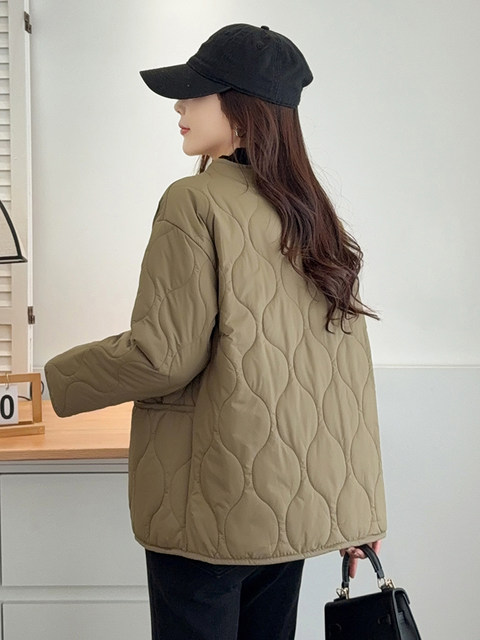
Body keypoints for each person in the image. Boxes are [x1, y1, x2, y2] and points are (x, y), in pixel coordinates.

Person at [45, 23, 386, 640]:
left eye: (195, 93)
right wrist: (359, 510)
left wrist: (53, 382)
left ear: (242, 107)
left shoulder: (194, 201)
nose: (179, 107)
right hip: (288, 514)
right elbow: (341, 376)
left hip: (210, 510)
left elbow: (162, 355)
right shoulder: (313, 216)